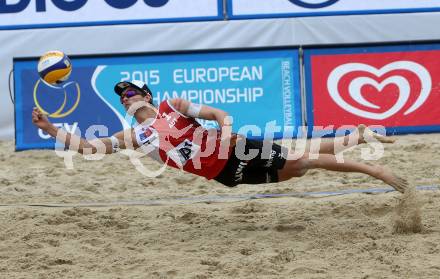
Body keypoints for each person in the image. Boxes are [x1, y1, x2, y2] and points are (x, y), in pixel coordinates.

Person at [32, 79, 408, 193]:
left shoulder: (172, 105)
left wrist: (226, 133)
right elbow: (85, 148)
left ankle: (378, 173)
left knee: (301, 160)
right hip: (222, 173)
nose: (126, 98)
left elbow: (219, 114)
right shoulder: (133, 135)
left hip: (232, 150)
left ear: (146, 95)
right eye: (122, 97)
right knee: (298, 164)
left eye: (131, 92)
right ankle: (357, 136)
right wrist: (51, 129)